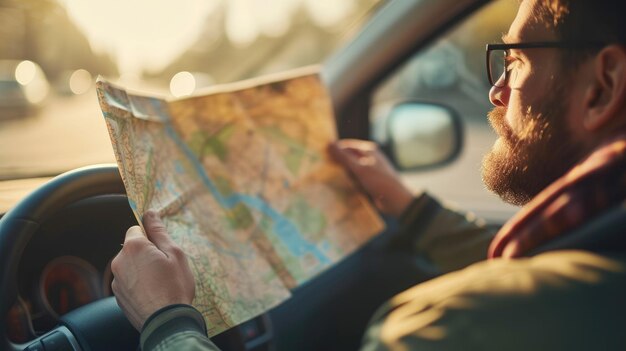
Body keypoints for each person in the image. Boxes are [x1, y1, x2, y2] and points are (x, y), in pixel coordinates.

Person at [110, 0, 626, 349]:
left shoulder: (442, 331)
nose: (497, 92)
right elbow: (538, 264)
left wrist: (168, 321)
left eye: (514, 60)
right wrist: (412, 209)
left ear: (602, 87)